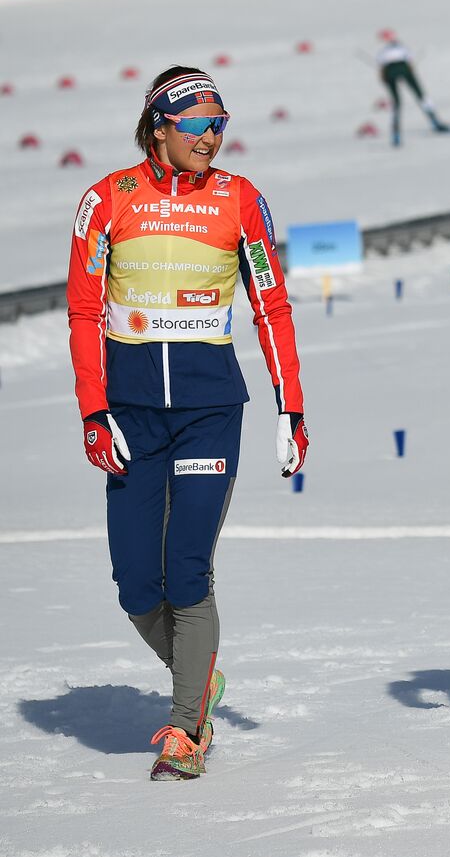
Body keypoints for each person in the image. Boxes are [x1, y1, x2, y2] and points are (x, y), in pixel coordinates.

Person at [66, 66, 309, 781]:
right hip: (131, 414)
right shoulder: (107, 199)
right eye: (198, 123)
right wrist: (92, 408)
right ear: (159, 127)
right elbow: (83, 312)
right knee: (136, 582)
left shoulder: (241, 199)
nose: (212, 136)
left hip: (208, 410)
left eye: (219, 122)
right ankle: (198, 678)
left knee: (187, 569)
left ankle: (185, 729)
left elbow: (272, 306)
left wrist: (291, 405)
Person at [376, 34, 450, 146]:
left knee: (396, 103)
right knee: (420, 95)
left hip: (389, 70)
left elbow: (381, 69)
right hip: (403, 67)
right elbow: (410, 63)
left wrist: (385, 78)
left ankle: (396, 134)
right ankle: (435, 122)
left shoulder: (383, 52)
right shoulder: (403, 48)